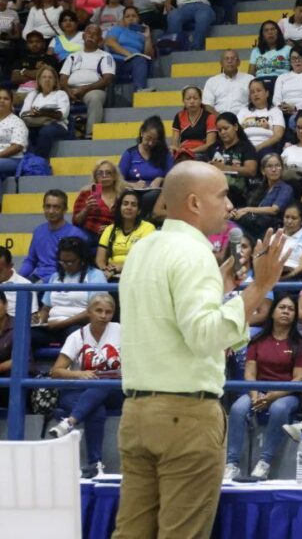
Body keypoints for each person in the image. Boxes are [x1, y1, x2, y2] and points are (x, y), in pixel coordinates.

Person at [112, 162, 286, 539]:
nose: (229, 206)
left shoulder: (141, 249)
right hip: (185, 416)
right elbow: (205, 336)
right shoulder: (194, 254)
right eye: (222, 195)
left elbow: (169, 321)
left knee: (130, 533)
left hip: (137, 411)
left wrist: (221, 292)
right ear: (193, 202)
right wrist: (259, 287)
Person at [223, 296, 302, 481]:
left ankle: (264, 463)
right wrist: (255, 396)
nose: (286, 311)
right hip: (258, 389)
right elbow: (249, 373)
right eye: (282, 307)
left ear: (295, 315)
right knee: (238, 408)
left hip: (287, 392)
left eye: (291, 309)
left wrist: (273, 397)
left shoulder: (300, 343)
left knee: (279, 408)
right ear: (272, 312)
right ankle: (231, 464)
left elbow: (299, 378)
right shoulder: (257, 340)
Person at [47, 292, 123, 478]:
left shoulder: (121, 331)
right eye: (99, 311)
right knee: (96, 410)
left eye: (108, 312)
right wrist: (80, 374)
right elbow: (56, 371)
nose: (104, 316)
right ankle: (95, 465)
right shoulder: (77, 336)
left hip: (114, 391)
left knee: (103, 383)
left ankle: (70, 422)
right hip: (80, 390)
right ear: (88, 312)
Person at [33, 236, 107, 347]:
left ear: (82, 259)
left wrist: (60, 324)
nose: (66, 266)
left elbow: (94, 311)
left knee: (74, 334)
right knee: (26, 334)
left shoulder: (95, 276)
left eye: (70, 262)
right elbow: (46, 308)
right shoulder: (55, 276)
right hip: (52, 326)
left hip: (79, 325)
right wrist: (40, 321)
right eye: (62, 262)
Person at [19, 190, 90, 281]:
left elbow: (80, 265)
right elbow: (31, 261)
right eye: (47, 206)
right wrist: (18, 278)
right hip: (38, 278)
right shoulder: (38, 231)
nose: (51, 211)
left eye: (56, 207)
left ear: (65, 209)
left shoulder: (76, 234)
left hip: (63, 279)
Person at [58, 24, 114, 138]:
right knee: (55, 97)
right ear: (83, 36)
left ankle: (91, 134)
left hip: (92, 89)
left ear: (100, 39)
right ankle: (62, 133)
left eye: (95, 34)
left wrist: (84, 89)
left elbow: (107, 79)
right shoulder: (72, 56)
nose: (91, 36)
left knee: (95, 98)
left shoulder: (105, 56)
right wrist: (68, 90)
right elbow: (63, 78)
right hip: (70, 90)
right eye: (88, 33)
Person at [95, 190, 156, 282]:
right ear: (120, 208)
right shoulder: (110, 229)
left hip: (137, 273)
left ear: (139, 211)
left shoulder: (148, 228)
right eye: (125, 204)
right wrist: (105, 270)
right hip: (111, 275)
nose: (129, 207)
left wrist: (119, 268)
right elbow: (100, 259)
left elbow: (144, 258)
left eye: (133, 205)